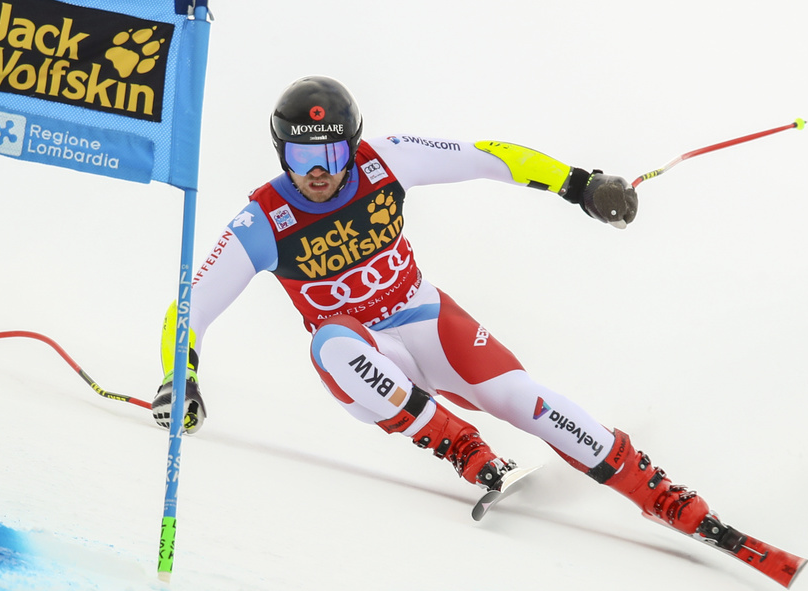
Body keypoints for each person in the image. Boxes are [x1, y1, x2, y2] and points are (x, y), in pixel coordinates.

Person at [152, 75, 712, 537]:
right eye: (302, 155)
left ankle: (656, 492)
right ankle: (461, 445)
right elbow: (192, 304)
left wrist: (579, 184)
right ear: (282, 153)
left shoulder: (386, 160)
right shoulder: (263, 219)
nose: (318, 171)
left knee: (523, 398)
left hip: (426, 320)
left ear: (353, 144)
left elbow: (486, 158)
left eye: (332, 151)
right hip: (365, 363)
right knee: (331, 341)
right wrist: (181, 378)